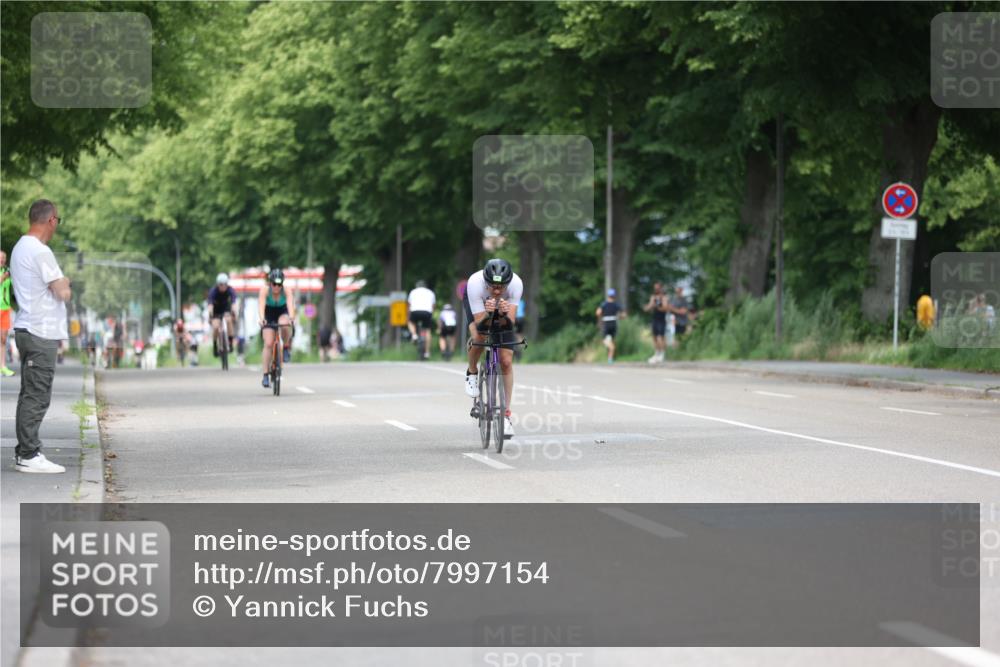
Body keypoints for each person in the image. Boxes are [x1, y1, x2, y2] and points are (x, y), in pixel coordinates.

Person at [10, 199, 71, 473]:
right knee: (37, 395)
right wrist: (65, 282)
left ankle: (26, 452)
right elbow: (62, 291)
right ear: (51, 220)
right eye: (57, 220)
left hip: (27, 328)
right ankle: (29, 454)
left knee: (29, 394)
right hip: (40, 331)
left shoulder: (20, 247)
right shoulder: (40, 251)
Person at [463, 258, 522, 437]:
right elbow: (481, 325)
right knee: (479, 337)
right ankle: (472, 371)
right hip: (479, 309)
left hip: (502, 312)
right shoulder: (475, 284)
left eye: (501, 287)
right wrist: (489, 313)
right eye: (493, 287)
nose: (497, 291)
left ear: (508, 284)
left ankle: (505, 416)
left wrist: (503, 314)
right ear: (486, 282)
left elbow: (509, 324)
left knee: (506, 361)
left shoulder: (516, 285)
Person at [258, 268, 296, 388]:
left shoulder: (287, 291)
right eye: (274, 284)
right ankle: (265, 375)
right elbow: (261, 306)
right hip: (269, 314)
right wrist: (262, 319)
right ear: (270, 283)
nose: (276, 287)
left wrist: (291, 318)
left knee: (284, 323)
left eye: (279, 284)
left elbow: (290, 306)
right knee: (268, 343)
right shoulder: (264, 290)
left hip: (282, 312)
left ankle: (286, 347)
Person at [208, 272, 238, 359]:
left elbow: (234, 303)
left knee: (229, 321)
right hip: (216, 311)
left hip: (226, 310)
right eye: (221, 285)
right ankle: (215, 345)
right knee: (215, 326)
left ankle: (230, 342)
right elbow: (210, 306)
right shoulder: (213, 292)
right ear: (218, 284)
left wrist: (234, 312)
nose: (223, 286)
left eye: (225, 284)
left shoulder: (230, 290)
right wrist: (210, 315)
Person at [407, 280, 436, 359]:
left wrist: (408, 314)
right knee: (427, 331)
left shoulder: (413, 292)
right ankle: (427, 352)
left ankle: (414, 335)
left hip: (415, 311)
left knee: (410, 322)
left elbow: (409, 305)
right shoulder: (430, 292)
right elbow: (433, 306)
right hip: (427, 312)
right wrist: (431, 314)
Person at [643, 282, 669, 364]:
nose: (656, 289)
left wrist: (657, 306)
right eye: (655, 288)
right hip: (654, 319)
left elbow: (665, 308)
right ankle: (657, 353)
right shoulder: (653, 297)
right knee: (654, 337)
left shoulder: (664, 297)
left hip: (662, 319)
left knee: (660, 337)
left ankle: (662, 354)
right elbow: (649, 307)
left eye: (657, 288)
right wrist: (647, 307)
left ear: (661, 288)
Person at [596, 288, 623, 364]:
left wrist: (599, 321)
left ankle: (611, 351)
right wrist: (619, 317)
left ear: (608, 295)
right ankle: (610, 358)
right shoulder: (616, 305)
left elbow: (598, 313)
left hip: (606, 323)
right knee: (612, 340)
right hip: (614, 323)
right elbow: (623, 314)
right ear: (614, 296)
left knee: (605, 340)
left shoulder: (604, 304)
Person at [1, 250, 14, 377]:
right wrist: (3, 277)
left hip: (5, 308)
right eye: (0, 257)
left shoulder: (8, 272)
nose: (2, 259)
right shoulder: (4, 274)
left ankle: (3, 366)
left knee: (4, 339)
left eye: (4, 257)